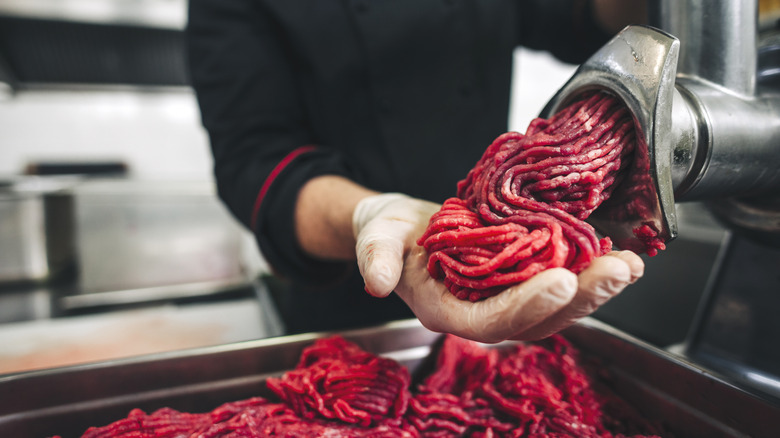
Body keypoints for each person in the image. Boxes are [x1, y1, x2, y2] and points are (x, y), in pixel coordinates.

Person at [185, 0, 647, 342]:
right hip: (350, 296)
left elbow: (585, 18)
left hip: (501, 252)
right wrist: (372, 214)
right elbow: (256, 162)